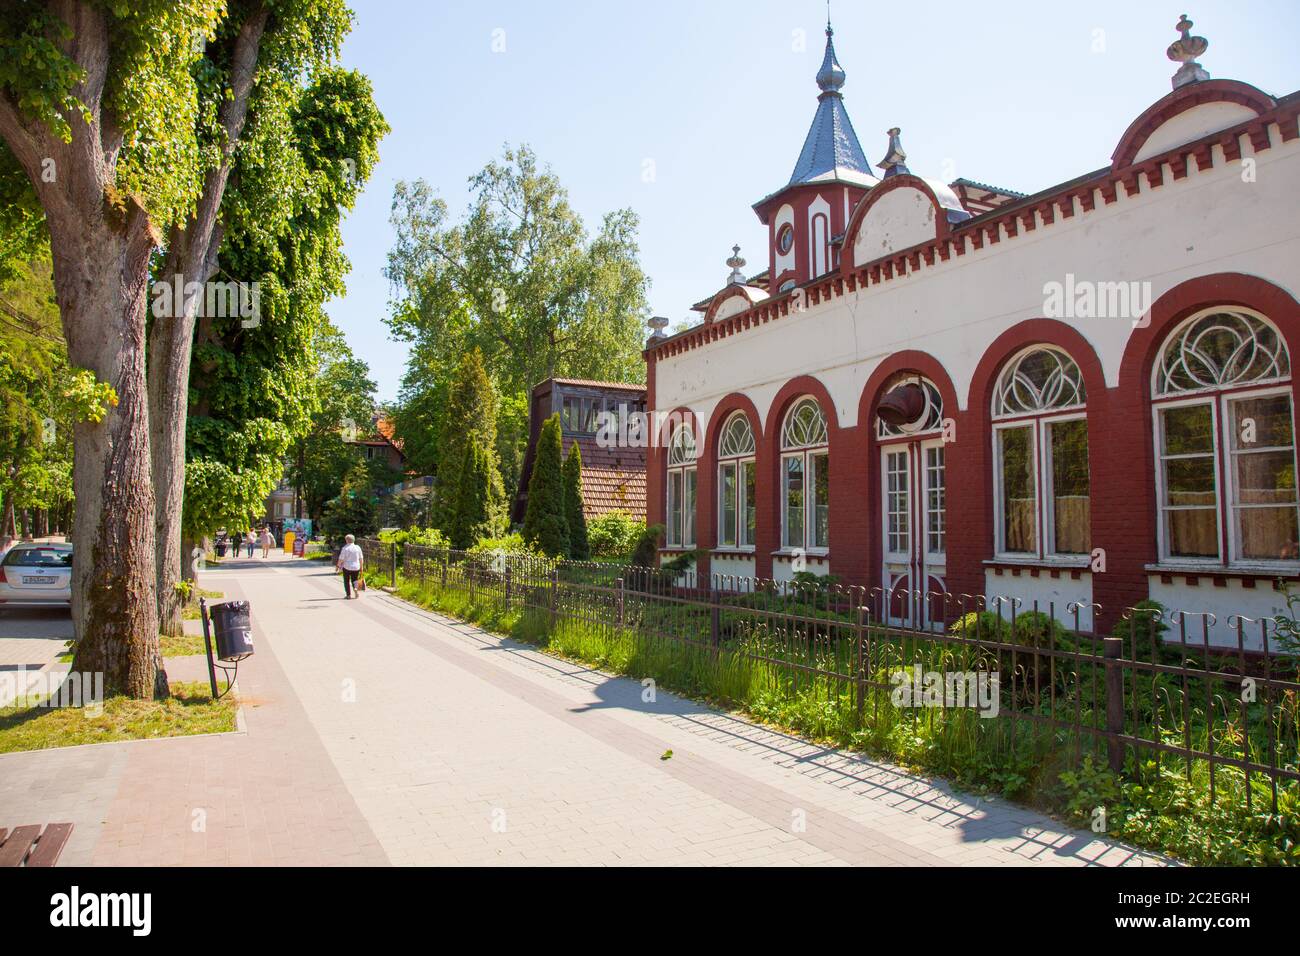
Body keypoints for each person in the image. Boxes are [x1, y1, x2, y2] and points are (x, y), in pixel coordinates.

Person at [337, 534, 364, 599]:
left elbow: (341, 559)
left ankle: (348, 595)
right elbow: (361, 558)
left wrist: (338, 566)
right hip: (356, 567)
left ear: (347, 540)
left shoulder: (345, 548)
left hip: (347, 567)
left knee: (346, 581)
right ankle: (355, 589)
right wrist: (361, 567)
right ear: (353, 540)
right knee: (355, 580)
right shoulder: (358, 547)